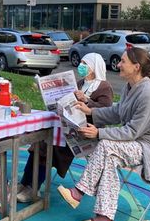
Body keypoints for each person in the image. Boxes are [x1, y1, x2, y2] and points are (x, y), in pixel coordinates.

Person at [57, 47, 150, 221]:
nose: (118, 65)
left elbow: (132, 131)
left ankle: (79, 192)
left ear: (136, 67)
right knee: (108, 157)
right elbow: (117, 112)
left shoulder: (148, 93)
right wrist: (90, 111)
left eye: (123, 61)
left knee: (106, 145)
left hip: (148, 146)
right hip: (134, 142)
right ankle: (105, 217)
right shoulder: (130, 87)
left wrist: (99, 133)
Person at [17, 53, 114, 202]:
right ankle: (25, 182)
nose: (81, 66)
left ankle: (33, 187)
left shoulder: (104, 86)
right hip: (69, 125)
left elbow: (106, 111)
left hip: (86, 132)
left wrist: (87, 101)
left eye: (84, 63)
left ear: (94, 67)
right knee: (40, 139)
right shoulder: (81, 83)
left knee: (48, 144)